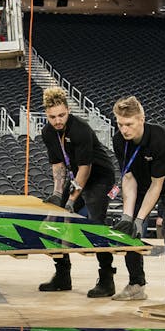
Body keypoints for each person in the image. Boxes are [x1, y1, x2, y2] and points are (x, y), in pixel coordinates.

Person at [109, 95, 165, 304]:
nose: (124, 129)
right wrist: (129, 217)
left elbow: (158, 185)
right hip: (142, 181)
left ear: (141, 119)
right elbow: (128, 178)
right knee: (130, 231)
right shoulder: (119, 140)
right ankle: (136, 285)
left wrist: (140, 219)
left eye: (129, 124)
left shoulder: (160, 137)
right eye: (120, 124)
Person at [37, 86, 118, 298]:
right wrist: (57, 194)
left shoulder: (79, 129)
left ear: (68, 110)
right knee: (54, 217)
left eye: (62, 115)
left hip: (99, 176)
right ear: (46, 114)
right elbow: (58, 165)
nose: (58, 121)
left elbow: (85, 168)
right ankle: (62, 275)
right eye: (53, 117)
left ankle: (107, 279)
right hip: (78, 178)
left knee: (96, 223)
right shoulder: (48, 132)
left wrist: (72, 199)